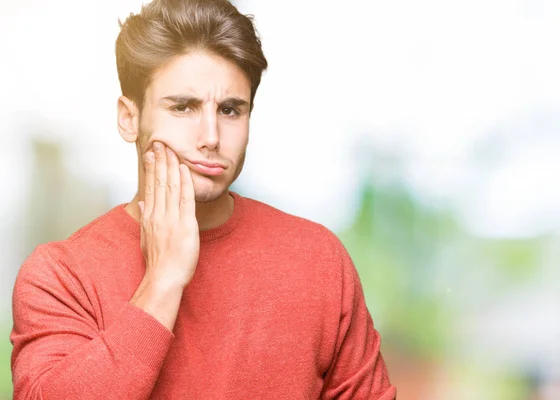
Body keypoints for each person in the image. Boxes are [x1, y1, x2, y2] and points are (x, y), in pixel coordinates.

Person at [10, 0, 397, 398]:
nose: (211, 137)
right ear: (129, 118)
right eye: (184, 107)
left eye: (230, 110)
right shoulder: (60, 275)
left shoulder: (318, 260)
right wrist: (162, 282)